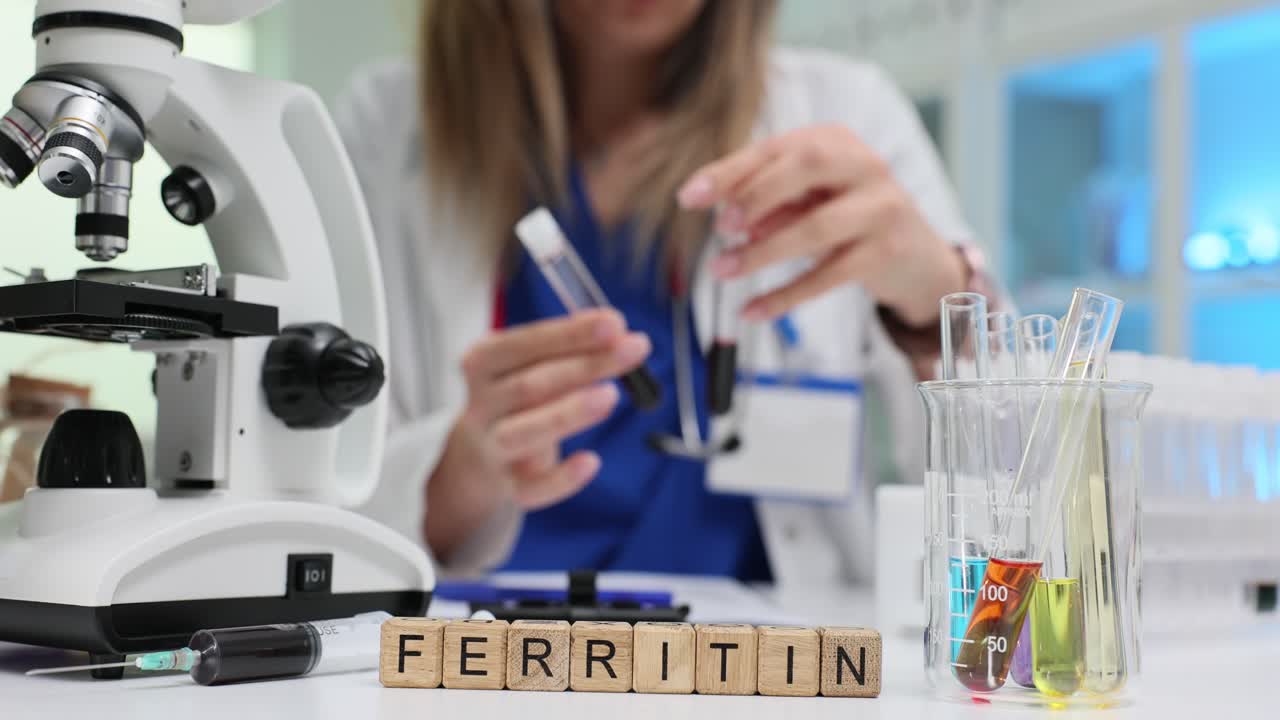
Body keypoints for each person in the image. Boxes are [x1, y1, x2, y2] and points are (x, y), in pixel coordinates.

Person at [336, 0, 995, 586]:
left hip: (755, 661)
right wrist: (455, 474)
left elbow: (1023, 488)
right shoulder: (386, 130)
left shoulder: (846, 111)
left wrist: (934, 299)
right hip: (484, 651)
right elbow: (325, 500)